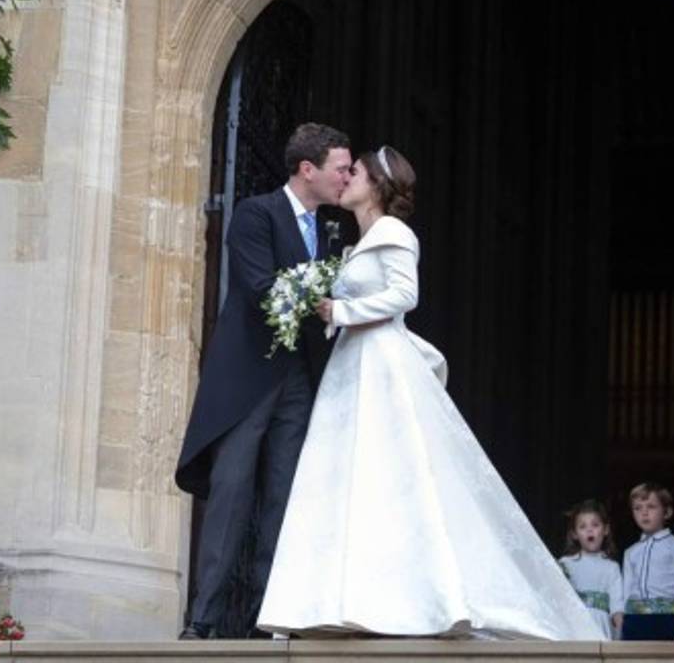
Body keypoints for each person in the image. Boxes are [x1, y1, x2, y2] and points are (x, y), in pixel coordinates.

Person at [255, 146, 601, 640]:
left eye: (356, 172)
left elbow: (404, 295)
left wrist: (340, 312)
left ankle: (406, 601)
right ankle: (342, 600)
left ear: (376, 185)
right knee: (352, 479)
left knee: (389, 475)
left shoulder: (394, 233)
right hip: (353, 365)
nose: (347, 178)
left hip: (379, 364)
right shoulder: (358, 243)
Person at [174, 123, 352, 639]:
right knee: (230, 496)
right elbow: (257, 287)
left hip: (299, 379)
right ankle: (203, 619)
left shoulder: (333, 231)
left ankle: (267, 621)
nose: (346, 177)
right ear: (307, 169)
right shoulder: (256, 213)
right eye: (340, 168)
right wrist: (320, 291)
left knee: (286, 499)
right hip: (249, 379)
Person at [620, 482, 674, 641]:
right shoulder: (630, 552)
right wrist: (623, 619)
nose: (644, 513)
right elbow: (626, 589)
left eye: (651, 506)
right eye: (638, 508)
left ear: (667, 512)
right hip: (635, 620)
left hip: (667, 618)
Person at [559, 500, 624, 639]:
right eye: (583, 526)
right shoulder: (566, 563)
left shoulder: (611, 567)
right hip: (574, 626)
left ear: (605, 530)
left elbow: (617, 605)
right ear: (574, 534)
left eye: (595, 525)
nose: (589, 530)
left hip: (601, 626)